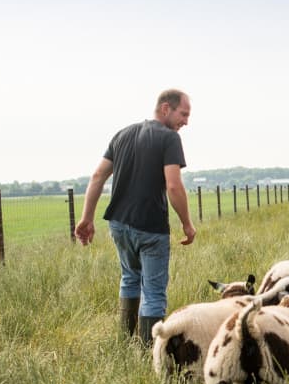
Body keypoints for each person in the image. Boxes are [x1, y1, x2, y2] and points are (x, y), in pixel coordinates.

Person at [74, 89, 197, 346]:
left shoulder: (122, 134)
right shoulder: (169, 139)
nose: (186, 121)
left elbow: (97, 176)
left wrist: (87, 217)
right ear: (166, 108)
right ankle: (147, 355)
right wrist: (186, 223)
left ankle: (126, 342)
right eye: (183, 114)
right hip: (151, 228)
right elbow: (173, 186)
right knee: (152, 292)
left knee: (129, 278)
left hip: (119, 224)